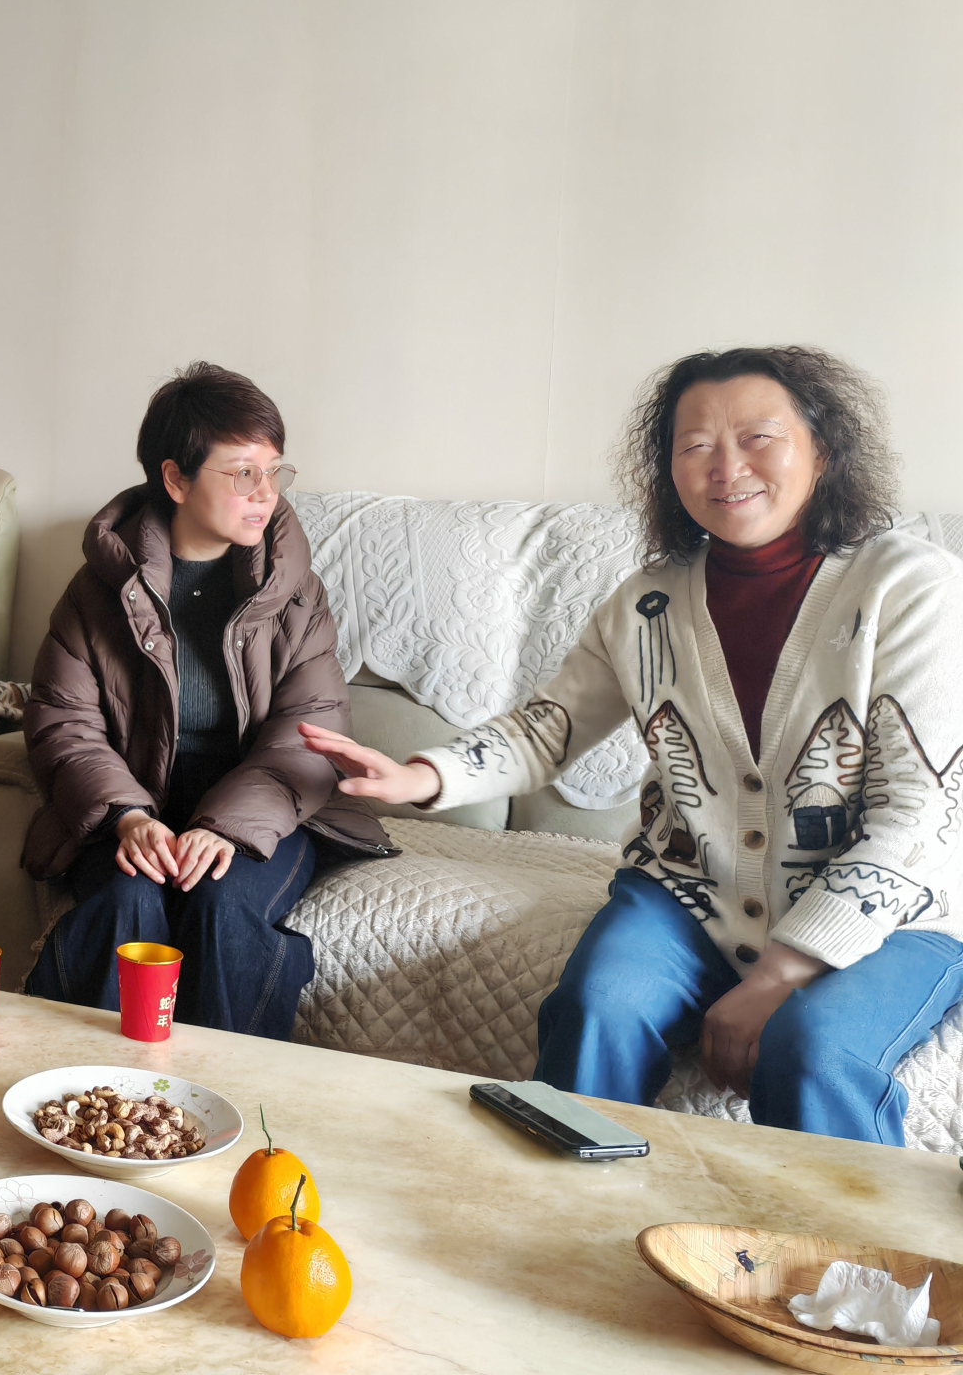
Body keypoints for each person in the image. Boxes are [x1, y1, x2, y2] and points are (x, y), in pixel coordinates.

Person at [304, 347, 963, 1146]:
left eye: (758, 438)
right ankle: (569, 1216)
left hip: (898, 914)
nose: (726, 468)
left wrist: (780, 976)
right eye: (695, 445)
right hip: (689, 896)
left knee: (814, 1052)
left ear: (822, 452)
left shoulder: (912, 585)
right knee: (596, 1008)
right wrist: (420, 776)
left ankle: (849, 1236)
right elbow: (550, 726)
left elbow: (917, 816)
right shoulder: (649, 601)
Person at [20, 363, 390, 1038]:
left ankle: (232, 1089)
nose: (265, 493)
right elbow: (63, 722)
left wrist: (224, 827)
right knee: (127, 899)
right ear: (176, 479)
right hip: (137, 799)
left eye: (274, 472)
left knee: (221, 901)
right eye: (242, 473)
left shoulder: (296, 592)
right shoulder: (98, 590)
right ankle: (85, 1083)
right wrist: (128, 817)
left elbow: (309, 732)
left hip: (262, 805)